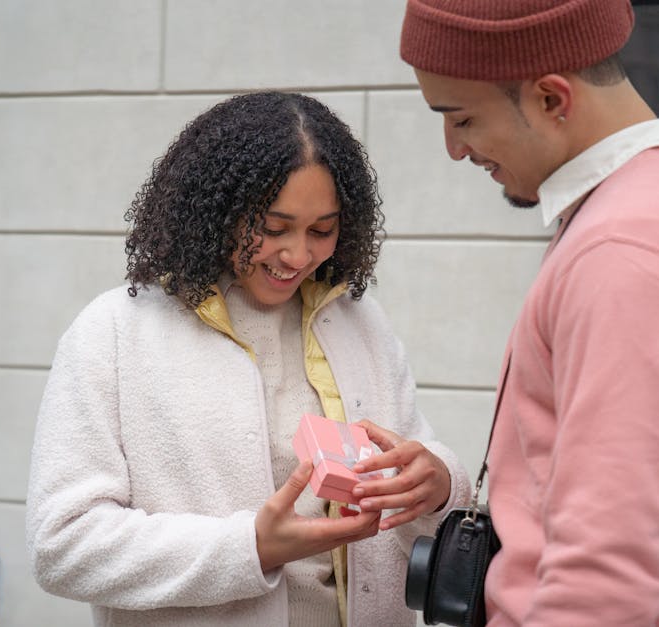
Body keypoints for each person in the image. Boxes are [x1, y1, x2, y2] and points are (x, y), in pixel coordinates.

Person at [381, 0, 659, 625]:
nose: (455, 150)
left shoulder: (629, 255)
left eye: (461, 118)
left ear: (552, 98)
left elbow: (604, 585)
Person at [25, 91, 470, 627]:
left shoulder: (361, 323)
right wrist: (250, 547)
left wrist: (439, 483)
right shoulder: (114, 333)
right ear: (215, 211)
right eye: (274, 229)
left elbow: (417, 503)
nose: (298, 255)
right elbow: (63, 546)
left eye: (322, 230)